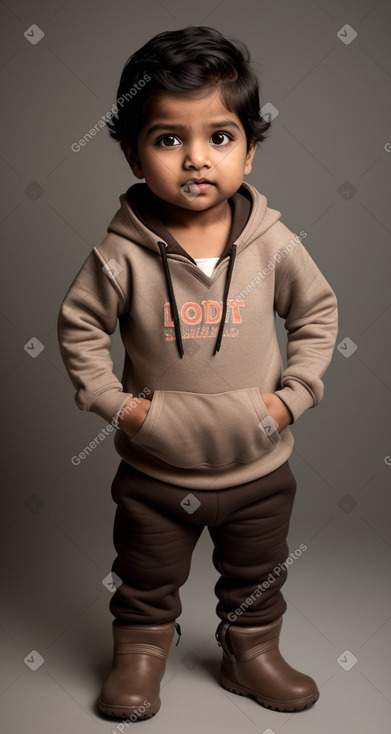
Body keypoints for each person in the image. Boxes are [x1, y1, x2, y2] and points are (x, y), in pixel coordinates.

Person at [57, 25, 338, 721]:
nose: (195, 159)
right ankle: (141, 653)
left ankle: (251, 652)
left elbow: (316, 313)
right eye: (167, 139)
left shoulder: (273, 243)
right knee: (145, 577)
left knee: (256, 573)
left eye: (219, 137)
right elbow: (80, 327)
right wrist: (120, 408)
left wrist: (290, 398)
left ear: (249, 147)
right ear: (131, 152)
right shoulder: (119, 253)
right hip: (156, 468)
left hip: (259, 461)